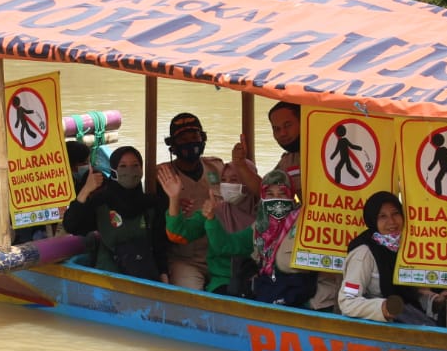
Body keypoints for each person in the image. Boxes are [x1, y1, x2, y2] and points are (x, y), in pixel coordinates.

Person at [176, 169, 323, 307]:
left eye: (282, 193)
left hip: (298, 291)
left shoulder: (305, 222)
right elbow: (226, 245)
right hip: (268, 288)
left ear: (291, 196)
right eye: (270, 194)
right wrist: (211, 218)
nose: (276, 199)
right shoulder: (260, 227)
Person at [154, 112, 242, 289]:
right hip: (185, 259)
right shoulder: (162, 175)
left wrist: (240, 163)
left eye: (194, 136)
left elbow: (243, 199)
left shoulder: (216, 167)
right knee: (189, 297)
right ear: (172, 145)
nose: (190, 143)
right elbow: (157, 225)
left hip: (221, 254)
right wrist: (173, 202)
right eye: (183, 139)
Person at [339, 190, 447, 324]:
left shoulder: (405, 247)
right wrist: (383, 308)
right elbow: (347, 301)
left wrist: (436, 300)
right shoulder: (364, 253)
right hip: (379, 331)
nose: (392, 221)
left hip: (407, 322)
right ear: (372, 220)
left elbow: (409, 295)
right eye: (383, 216)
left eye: (395, 214)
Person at [63, 146, 166, 281]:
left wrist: (164, 276)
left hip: (144, 277)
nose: (129, 171)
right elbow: (71, 225)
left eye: (135, 165)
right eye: (123, 166)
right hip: (108, 277)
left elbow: (159, 244)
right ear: (113, 171)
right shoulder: (101, 202)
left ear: (141, 170)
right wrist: (86, 190)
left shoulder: (151, 204)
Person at [232, 102, 302, 201]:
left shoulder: (325, 150)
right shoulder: (289, 160)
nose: (282, 133)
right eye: (276, 129)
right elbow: (266, 191)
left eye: (288, 125)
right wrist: (241, 164)